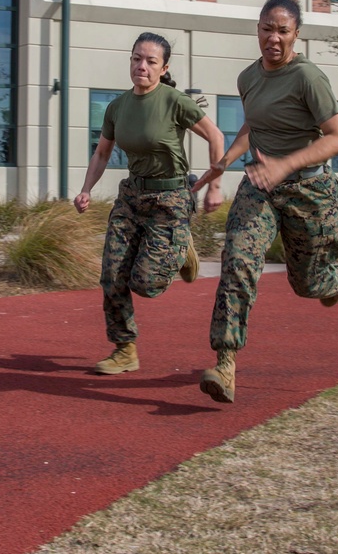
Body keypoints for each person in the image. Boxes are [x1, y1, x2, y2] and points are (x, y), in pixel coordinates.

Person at [192, 0, 338, 404]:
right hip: (261, 186)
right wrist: (225, 161)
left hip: (309, 190)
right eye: (267, 29)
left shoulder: (308, 78)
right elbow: (254, 123)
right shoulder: (247, 78)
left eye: (283, 31)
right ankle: (225, 362)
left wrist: (286, 166)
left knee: (308, 284)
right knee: (238, 261)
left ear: (296, 35)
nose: (274, 38)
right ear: (258, 30)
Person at [75, 32, 226, 375]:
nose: (141, 66)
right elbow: (102, 153)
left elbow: (217, 137)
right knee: (112, 275)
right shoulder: (117, 107)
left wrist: (213, 186)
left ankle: (181, 246)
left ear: (163, 68)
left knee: (146, 283)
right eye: (136, 59)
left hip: (170, 199)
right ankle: (125, 349)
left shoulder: (175, 101)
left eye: (150, 61)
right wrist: (85, 189)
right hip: (131, 197)